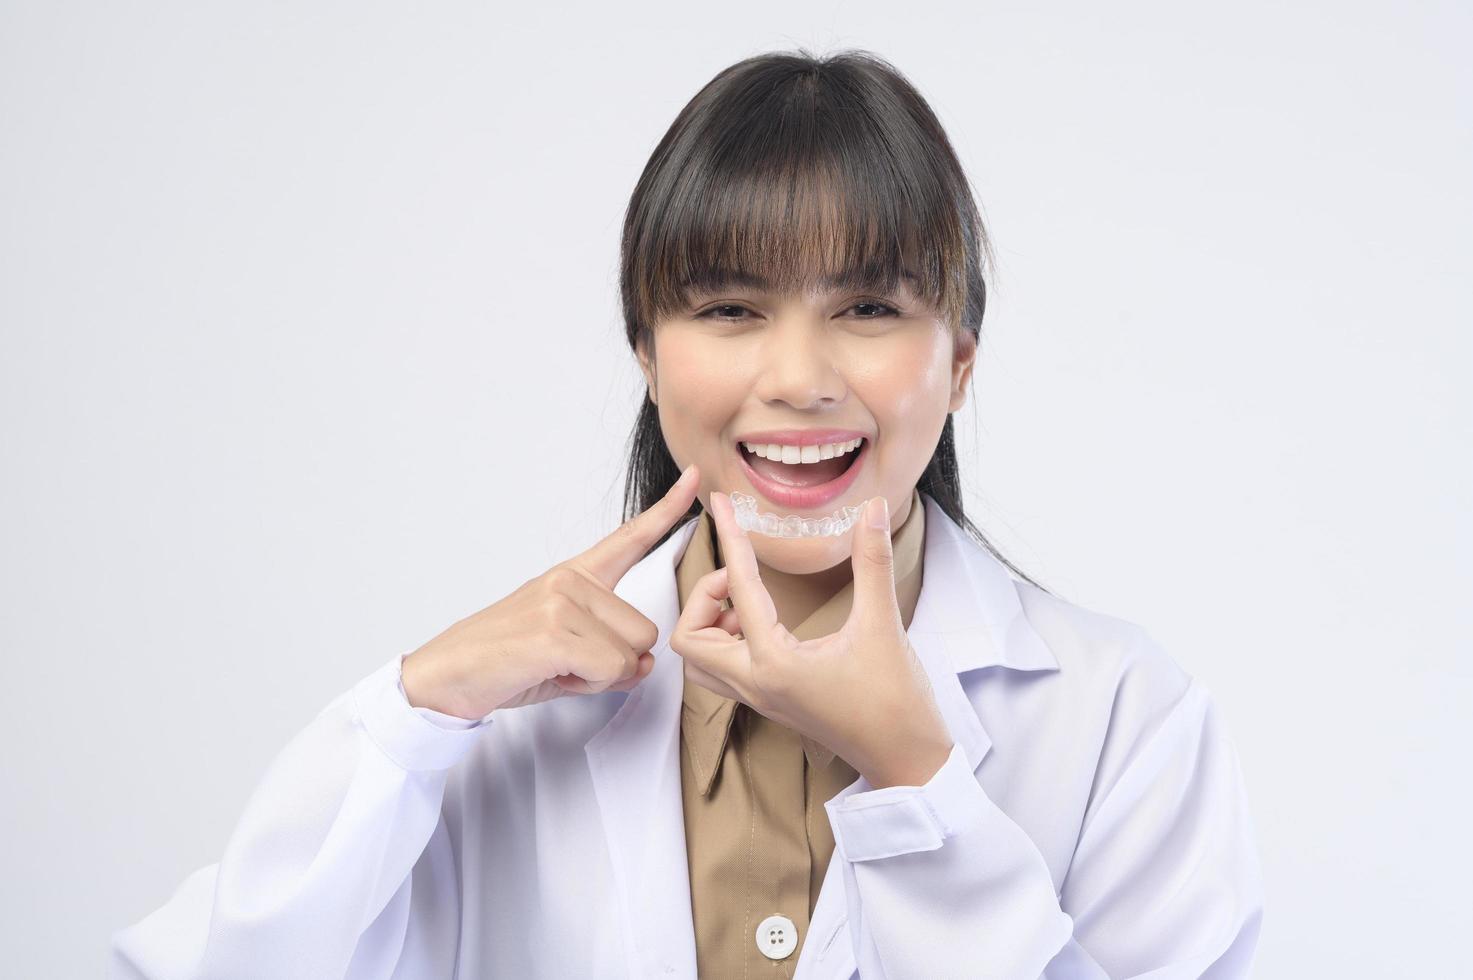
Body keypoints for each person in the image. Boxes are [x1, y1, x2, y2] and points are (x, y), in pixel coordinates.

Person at [108, 49, 1264, 979]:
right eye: (728, 306)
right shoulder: (501, 721)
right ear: (649, 357)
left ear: (958, 362)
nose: (800, 375)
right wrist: (413, 706)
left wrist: (918, 779)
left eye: (867, 304)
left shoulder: (1128, 719)